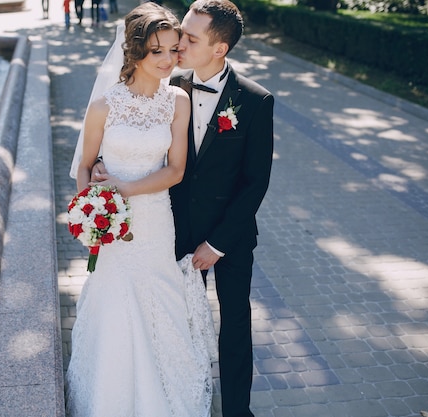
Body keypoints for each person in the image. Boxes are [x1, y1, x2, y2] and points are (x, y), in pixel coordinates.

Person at [89, 1, 275, 416]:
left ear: (219, 49)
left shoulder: (256, 101)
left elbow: (255, 183)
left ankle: (236, 410)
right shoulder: (172, 89)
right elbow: (131, 127)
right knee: (177, 320)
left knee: (234, 326)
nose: (178, 47)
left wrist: (218, 244)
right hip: (173, 229)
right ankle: (174, 393)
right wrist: (104, 165)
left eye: (189, 39)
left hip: (229, 236)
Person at [65, 3, 217, 416]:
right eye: (158, 52)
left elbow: (176, 170)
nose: (170, 60)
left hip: (154, 223)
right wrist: (92, 213)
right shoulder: (104, 106)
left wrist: (123, 190)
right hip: (114, 232)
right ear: (133, 53)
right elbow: (83, 165)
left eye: (173, 50)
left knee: (159, 304)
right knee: (115, 306)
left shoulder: (177, 101)